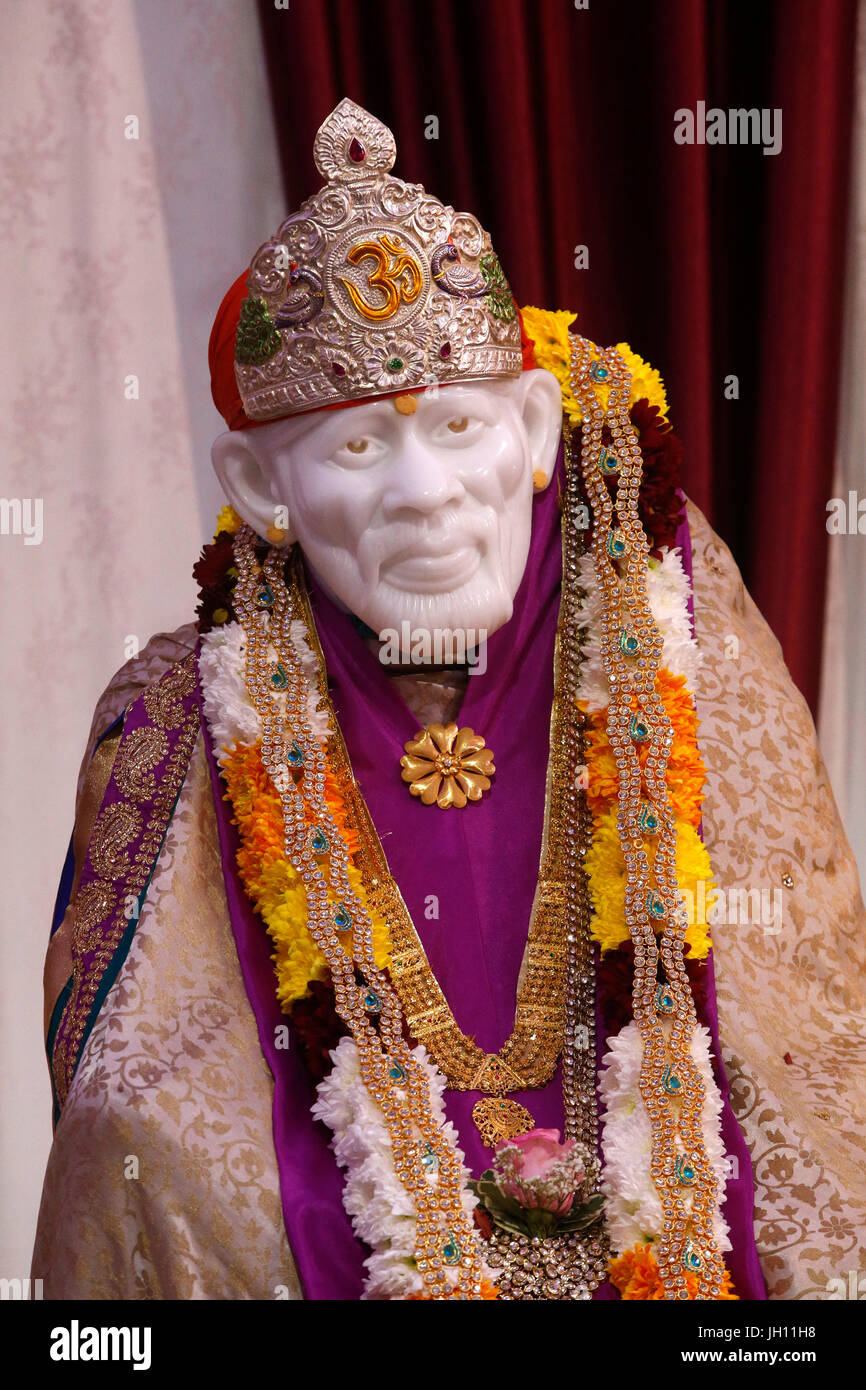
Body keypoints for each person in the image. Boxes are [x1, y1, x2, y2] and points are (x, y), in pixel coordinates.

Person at [33, 100, 865, 1302]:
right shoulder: (173, 706)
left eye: (458, 426)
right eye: (359, 450)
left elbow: (810, 1011)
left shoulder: (663, 614)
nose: (425, 494)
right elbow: (126, 1097)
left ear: (530, 430)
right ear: (262, 487)